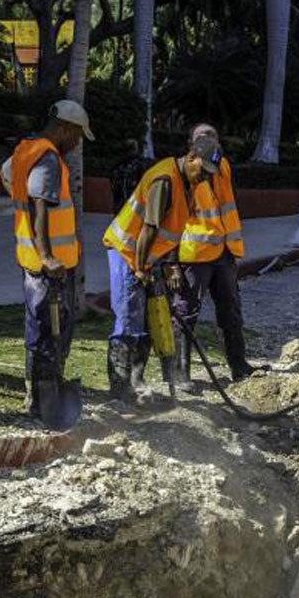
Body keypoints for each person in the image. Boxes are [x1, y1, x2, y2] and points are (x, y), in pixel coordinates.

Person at [101, 135, 220, 401]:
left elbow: (171, 230)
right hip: (128, 253)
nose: (205, 178)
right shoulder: (164, 180)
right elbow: (149, 228)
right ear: (191, 157)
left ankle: (136, 382)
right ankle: (120, 390)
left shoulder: (186, 182)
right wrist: (141, 268)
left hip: (149, 257)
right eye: (203, 171)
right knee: (129, 319)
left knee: (148, 320)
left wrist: (166, 264)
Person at [1, 100, 91, 420]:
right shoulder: (49, 158)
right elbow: (38, 205)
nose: (78, 143)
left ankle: (38, 397)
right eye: (78, 135)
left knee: (40, 330)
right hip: (46, 268)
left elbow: (7, 176)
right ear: (65, 129)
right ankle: (44, 403)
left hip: (30, 261)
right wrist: (48, 256)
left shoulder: (25, 149)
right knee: (48, 332)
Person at [170, 123, 255, 389]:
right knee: (186, 311)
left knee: (230, 309)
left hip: (224, 252)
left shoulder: (224, 167)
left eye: (212, 135)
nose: (207, 139)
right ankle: (179, 372)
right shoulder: (184, 172)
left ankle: (239, 365)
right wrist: (172, 264)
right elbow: (170, 221)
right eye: (201, 136)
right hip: (195, 254)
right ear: (190, 144)